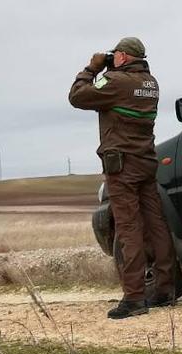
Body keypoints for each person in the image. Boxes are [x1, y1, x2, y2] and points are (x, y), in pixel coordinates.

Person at [68, 37, 176, 319]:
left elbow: (77, 96)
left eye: (115, 54)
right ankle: (165, 289)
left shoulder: (115, 82)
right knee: (156, 225)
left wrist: (91, 68)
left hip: (122, 166)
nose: (111, 57)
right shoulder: (151, 83)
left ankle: (135, 297)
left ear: (124, 57)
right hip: (146, 161)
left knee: (129, 228)